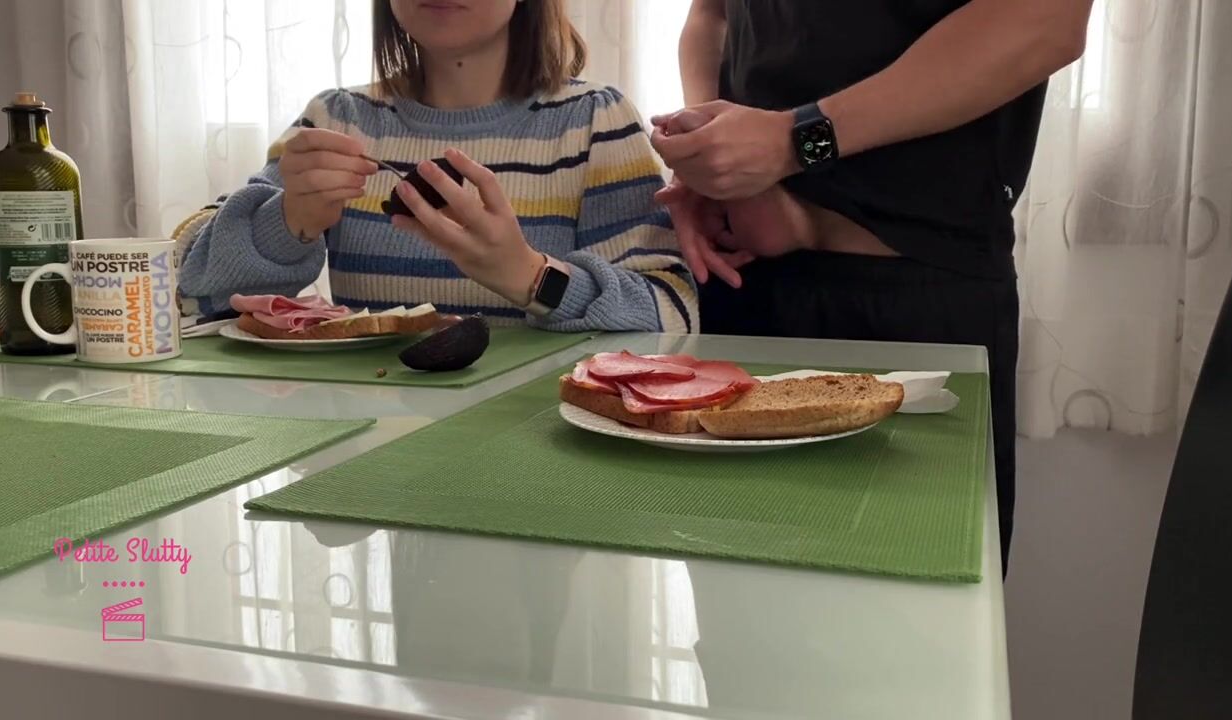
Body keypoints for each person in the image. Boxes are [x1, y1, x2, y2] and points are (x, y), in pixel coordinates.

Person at [651, 0, 1095, 569]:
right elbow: (710, 16)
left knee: (921, 605)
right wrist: (708, 158)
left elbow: (1046, 22)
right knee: (733, 604)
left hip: (917, 304)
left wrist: (793, 142)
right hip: (740, 287)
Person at [176, 0, 696, 334]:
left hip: (544, 446)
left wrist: (530, 277)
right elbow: (191, 290)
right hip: (369, 444)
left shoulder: (594, 121)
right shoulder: (337, 119)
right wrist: (288, 223)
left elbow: (672, 313)